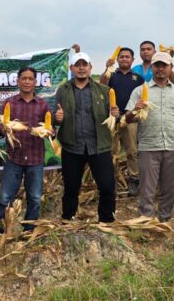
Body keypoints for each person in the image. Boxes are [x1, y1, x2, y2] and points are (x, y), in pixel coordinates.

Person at [125, 52, 174, 221]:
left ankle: (164, 219)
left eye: (164, 65)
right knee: (147, 188)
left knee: (168, 188)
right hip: (148, 146)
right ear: (152, 67)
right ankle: (146, 219)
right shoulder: (140, 91)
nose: (160, 69)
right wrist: (135, 110)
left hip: (171, 147)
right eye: (157, 65)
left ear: (171, 68)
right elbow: (127, 119)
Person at [54, 52, 119, 223]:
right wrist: (57, 118)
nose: (81, 68)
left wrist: (116, 114)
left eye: (85, 65)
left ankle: (106, 220)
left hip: (99, 145)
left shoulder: (103, 90)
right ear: (71, 68)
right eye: (77, 65)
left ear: (90, 67)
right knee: (71, 187)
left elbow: (113, 116)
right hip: (72, 146)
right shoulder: (63, 90)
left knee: (106, 186)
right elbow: (55, 116)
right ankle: (68, 219)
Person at [0, 67, 52, 232]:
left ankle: (29, 230)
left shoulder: (42, 104)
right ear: (18, 81)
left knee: (35, 198)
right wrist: (1, 127)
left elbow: (50, 129)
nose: (27, 81)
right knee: (5, 197)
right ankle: (3, 230)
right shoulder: (9, 103)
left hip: (35, 158)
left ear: (35, 82)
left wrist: (49, 131)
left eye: (30, 79)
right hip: (14, 158)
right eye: (24, 78)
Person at [99, 47, 145, 195]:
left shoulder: (138, 78)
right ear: (117, 59)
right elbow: (101, 86)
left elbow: (143, 97)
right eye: (122, 57)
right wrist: (107, 68)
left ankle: (134, 179)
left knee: (132, 151)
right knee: (110, 152)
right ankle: (109, 180)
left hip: (130, 118)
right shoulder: (111, 75)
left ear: (132, 60)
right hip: (112, 118)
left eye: (127, 57)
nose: (124, 59)